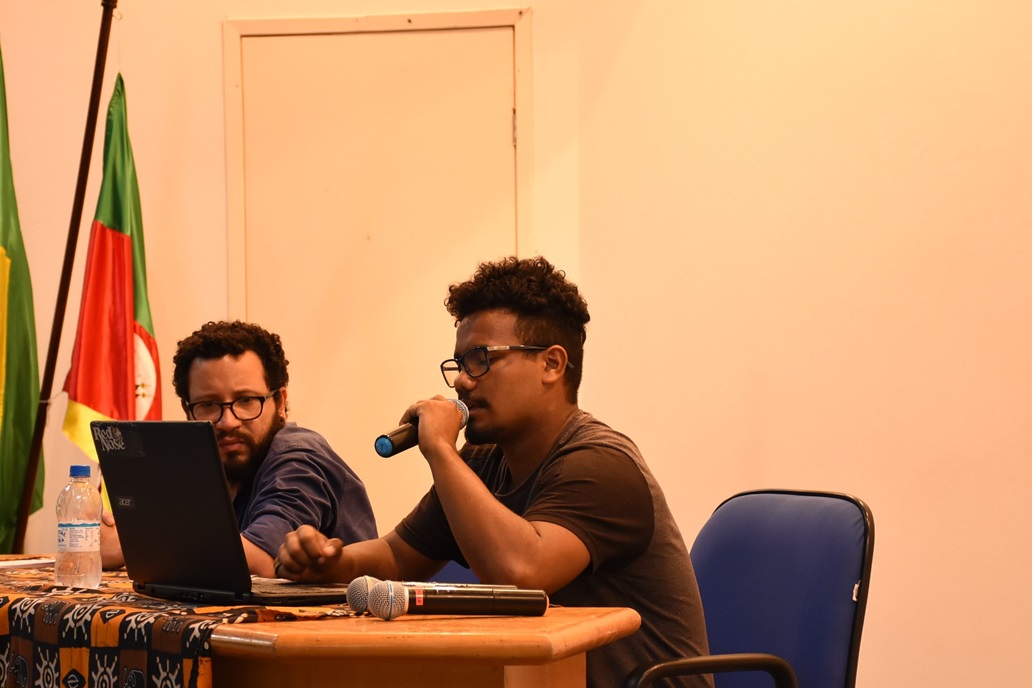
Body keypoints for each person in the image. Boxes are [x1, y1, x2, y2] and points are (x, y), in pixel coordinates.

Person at [276, 257, 711, 688]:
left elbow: (522, 575)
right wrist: (327, 564)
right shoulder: (483, 461)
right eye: (460, 364)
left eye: (481, 359)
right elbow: (397, 557)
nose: (462, 381)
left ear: (551, 364)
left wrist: (440, 449)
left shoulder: (601, 464)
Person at [100, 320, 378, 577]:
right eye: (208, 405)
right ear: (188, 411)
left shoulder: (299, 460)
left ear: (280, 402)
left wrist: (131, 543)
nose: (227, 421)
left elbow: (263, 563)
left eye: (246, 400)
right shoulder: (211, 464)